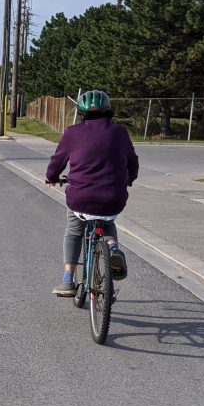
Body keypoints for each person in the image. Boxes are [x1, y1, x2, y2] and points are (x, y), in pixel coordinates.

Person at [44, 90, 139, 297]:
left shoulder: (72, 132)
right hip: (113, 196)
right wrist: (129, 180)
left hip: (81, 197)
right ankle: (113, 249)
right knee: (107, 222)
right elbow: (133, 161)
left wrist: (51, 177)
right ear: (108, 112)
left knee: (74, 231)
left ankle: (68, 279)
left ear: (81, 113)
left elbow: (57, 161)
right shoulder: (119, 132)